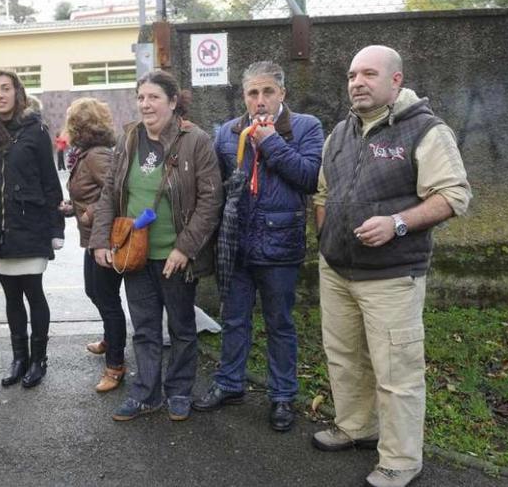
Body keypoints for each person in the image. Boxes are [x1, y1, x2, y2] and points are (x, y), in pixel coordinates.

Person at [312, 45, 470, 487]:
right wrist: (327, 240)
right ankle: (356, 426)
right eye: (350, 75)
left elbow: (454, 196)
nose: (356, 83)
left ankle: (401, 460)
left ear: (395, 80)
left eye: (368, 74)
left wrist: (397, 223)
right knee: (344, 358)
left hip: (392, 275)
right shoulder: (340, 134)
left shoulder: (425, 130)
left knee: (396, 373)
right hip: (338, 271)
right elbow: (323, 194)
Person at [193, 61, 323, 432]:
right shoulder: (228, 132)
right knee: (233, 319)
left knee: (279, 323)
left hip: (280, 244)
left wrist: (272, 143)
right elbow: (215, 188)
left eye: (268, 92)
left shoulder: (305, 127)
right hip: (235, 244)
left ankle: (283, 395)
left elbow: (310, 177)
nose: (260, 100)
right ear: (244, 96)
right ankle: (230, 383)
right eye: (253, 93)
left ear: (282, 93)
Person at [90, 70, 222, 421]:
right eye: (141, 97)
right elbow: (110, 193)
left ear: (173, 102)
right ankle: (146, 393)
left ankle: (178, 391)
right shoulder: (130, 137)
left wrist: (184, 249)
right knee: (145, 328)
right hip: (135, 253)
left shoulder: (196, 141)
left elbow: (211, 200)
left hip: (175, 258)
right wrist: (101, 240)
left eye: (154, 98)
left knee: (181, 327)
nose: (145, 104)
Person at [0, 70, 64, 389]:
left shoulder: (36, 130)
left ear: (18, 93)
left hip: (31, 225)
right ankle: (19, 358)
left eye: (6, 89)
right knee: (11, 296)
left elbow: (50, 181)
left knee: (33, 292)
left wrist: (57, 228)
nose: (0, 95)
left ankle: (39, 359)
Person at [61, 98, 127, 392]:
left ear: (79, 125)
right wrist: (72, 207)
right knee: (94, 291)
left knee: (108, 299)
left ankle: (115, 365)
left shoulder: (97, 155)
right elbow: (92, 191)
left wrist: (89, 212)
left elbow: (119, 190)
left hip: (106, 239)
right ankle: (110, 340)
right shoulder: (85, 154)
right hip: (94, 238)